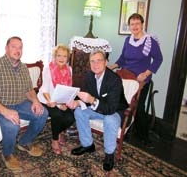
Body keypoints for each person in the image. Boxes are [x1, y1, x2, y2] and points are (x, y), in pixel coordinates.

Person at [0, 36, 49, 170]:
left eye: (20, 47)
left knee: (43, 113)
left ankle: (25, 142)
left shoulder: (23, 67)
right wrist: (5, 111)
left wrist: (35, 101)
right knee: (12, 126)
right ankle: (8, 154)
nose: (17, 50)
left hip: (20, 103)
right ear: (6, 48)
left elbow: (29, 90)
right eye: (13, 47)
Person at [67, 50, 128, 172]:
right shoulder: (89, 75)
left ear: (106, 62)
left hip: (115, 110)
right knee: (79, 111)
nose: (95, 64)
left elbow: (110, 108)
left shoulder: (114, 80)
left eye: (99, 60)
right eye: (92, 61)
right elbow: (86, 96)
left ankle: (109, 154)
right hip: (98, 108)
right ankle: (88, 145)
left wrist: (91, 99)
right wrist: (77, 102)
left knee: (109, 119)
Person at [109, 13, 163, 148]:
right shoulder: (128, 40)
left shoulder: (150, 41)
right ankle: (125, 131)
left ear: (142, 24)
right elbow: (122, 58)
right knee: (122, 104)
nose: (135, 26)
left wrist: (146, 73)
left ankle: (143, 137)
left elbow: (158, 59)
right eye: (132, 24)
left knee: (138, 109)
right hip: (125, 77)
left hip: (140, 80)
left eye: (137, 23)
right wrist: (112, 67)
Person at [37, 44, 75, 154]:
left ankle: (58, 131)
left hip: (61, 100)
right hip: (46, 99)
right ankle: (54, 140)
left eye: (64, 56)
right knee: (57, 115)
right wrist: (54, 103)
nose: (61, 59)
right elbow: (45, 89)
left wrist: (64, 103)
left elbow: (68, 88)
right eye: (59, 55)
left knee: (71, 117)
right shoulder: (48, 68)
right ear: (54, 56)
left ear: (68, 58)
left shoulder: (69, 69)